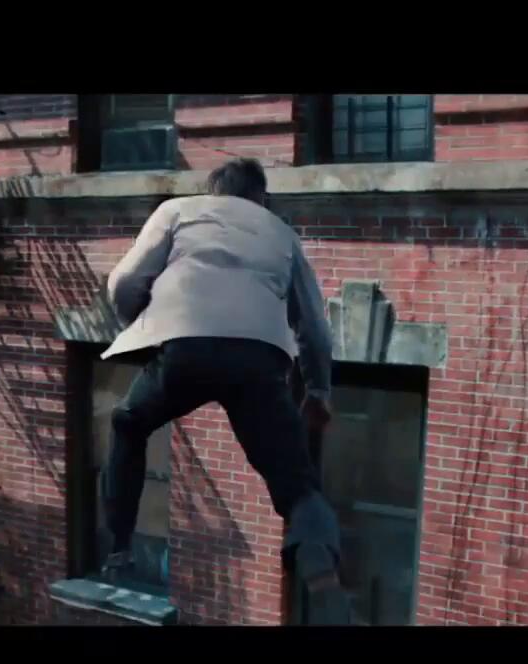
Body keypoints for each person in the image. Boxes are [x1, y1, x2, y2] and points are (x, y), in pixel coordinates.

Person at [99, 157, 350, 624]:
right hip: (259, 362)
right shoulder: (282, 234)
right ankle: (317, 554)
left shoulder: (178, 210)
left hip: (185, 350)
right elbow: (314, 328)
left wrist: (140, 323)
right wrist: (317, 392)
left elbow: (125, 282)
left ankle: (119, 544)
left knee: (128, 423)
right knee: (297, 485)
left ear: (213, 191)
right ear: (261, 198)